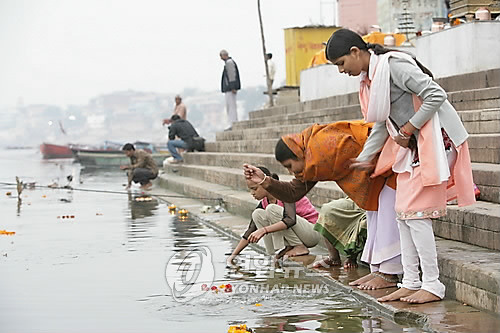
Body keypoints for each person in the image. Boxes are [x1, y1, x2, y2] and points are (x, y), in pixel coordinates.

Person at [325, 28, 475, 303]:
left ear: (355, 52)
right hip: (414, 146)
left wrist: (407, 129)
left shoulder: (394, 66)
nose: (341, 71)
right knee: (402, 213)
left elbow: (435, 95)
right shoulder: (373, 78)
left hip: (436, 141)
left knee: (416, 216)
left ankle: (432, 285)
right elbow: (383, 121)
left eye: (341, 64)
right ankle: (411, 281)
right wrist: (365, 157)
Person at [243, 120, 402, 290]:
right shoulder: (312, 160)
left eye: (290, 166)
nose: (291, 172)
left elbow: (294, 191)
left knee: (386, 221)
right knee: (375, 219)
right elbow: (293, 192)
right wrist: (264, 181)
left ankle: (389, 274)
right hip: (376, 180)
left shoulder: (321, 147)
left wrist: (365, 158)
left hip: (389, 167)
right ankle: (379, 271)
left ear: (298, 153)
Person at [227, 166, 320, 265]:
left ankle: (299, 247)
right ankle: (275, 251)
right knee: (257, 214)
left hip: (312, 233)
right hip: (299, 233)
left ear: (264, 184)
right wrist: (232, 257)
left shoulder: (284, 192)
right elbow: (250, 231)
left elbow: (290, 220)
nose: (252, 193)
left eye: (254, 189)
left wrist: (264, 230)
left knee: (272, 209)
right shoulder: (264, 202)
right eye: (250, 189)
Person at [220, 49, 241, 130]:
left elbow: (232, 75)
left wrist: (232, 87)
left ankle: (233, 123)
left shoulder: (229, 63)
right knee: (230, 106)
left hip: (230, 89)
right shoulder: (228, 63)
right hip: (229, 89)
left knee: (231, 107)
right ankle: (232, 122)